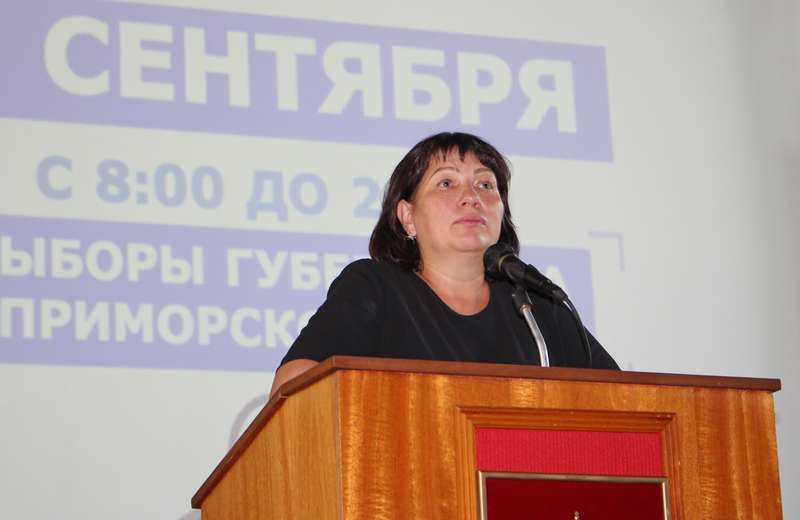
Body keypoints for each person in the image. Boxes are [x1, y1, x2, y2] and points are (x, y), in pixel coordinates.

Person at [270, 132, 618, 396]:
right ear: (407, 216)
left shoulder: (536, 305)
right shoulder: (375, 288)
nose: (471, 197)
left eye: (485, 184)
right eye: (447, 183)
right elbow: (291, 385)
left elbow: (622, 400)